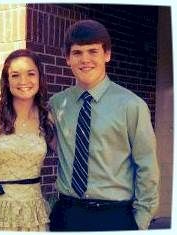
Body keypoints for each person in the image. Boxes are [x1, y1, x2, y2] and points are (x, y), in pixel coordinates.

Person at [49, 19, 160, 231]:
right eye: (77, 53)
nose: (85, 60)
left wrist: (140, 221)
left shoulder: (132, 105)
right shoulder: (57, 104)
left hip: (115, 216)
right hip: (66, 215)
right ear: (67, 59)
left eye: (93, 51)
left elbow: (147, 166)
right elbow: (33, 139)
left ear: (107, 55)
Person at [0, 49, 55, 231]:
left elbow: (68, 156)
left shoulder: (48, 119)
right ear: (7, 81)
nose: (23, 81)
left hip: (33, 213)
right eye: (15, 75)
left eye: (31, 73)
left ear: (40, 78)